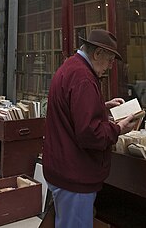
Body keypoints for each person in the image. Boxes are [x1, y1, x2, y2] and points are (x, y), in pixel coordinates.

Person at [43, 29, 139, 228]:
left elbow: (70, 111)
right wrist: (118, 128)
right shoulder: (84, 78)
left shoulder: (71, 67)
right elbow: (89, 134)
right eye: (110, 60)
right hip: (74, 175)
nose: (110, 66)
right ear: (97, 54)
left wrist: (101, 107)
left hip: (62, 168)